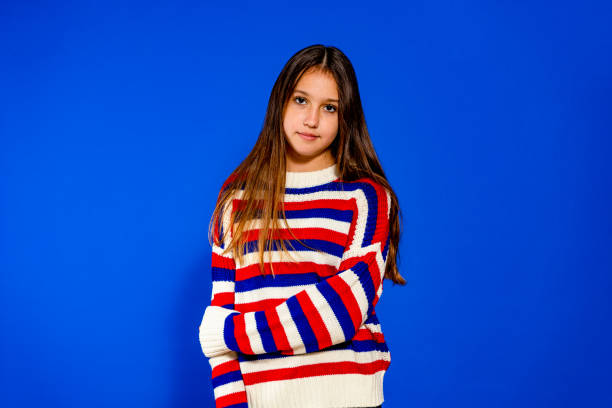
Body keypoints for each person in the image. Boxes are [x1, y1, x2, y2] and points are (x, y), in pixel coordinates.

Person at [198, 44, 406, 408]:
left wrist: (229, 333)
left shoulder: (366, 198)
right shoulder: (237, 200)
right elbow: (222, 323)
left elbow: (342, 312)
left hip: (348, 398)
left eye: (330, 108)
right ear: (280, 102)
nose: (312, 120)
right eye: (300, 100)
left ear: (346, 118)